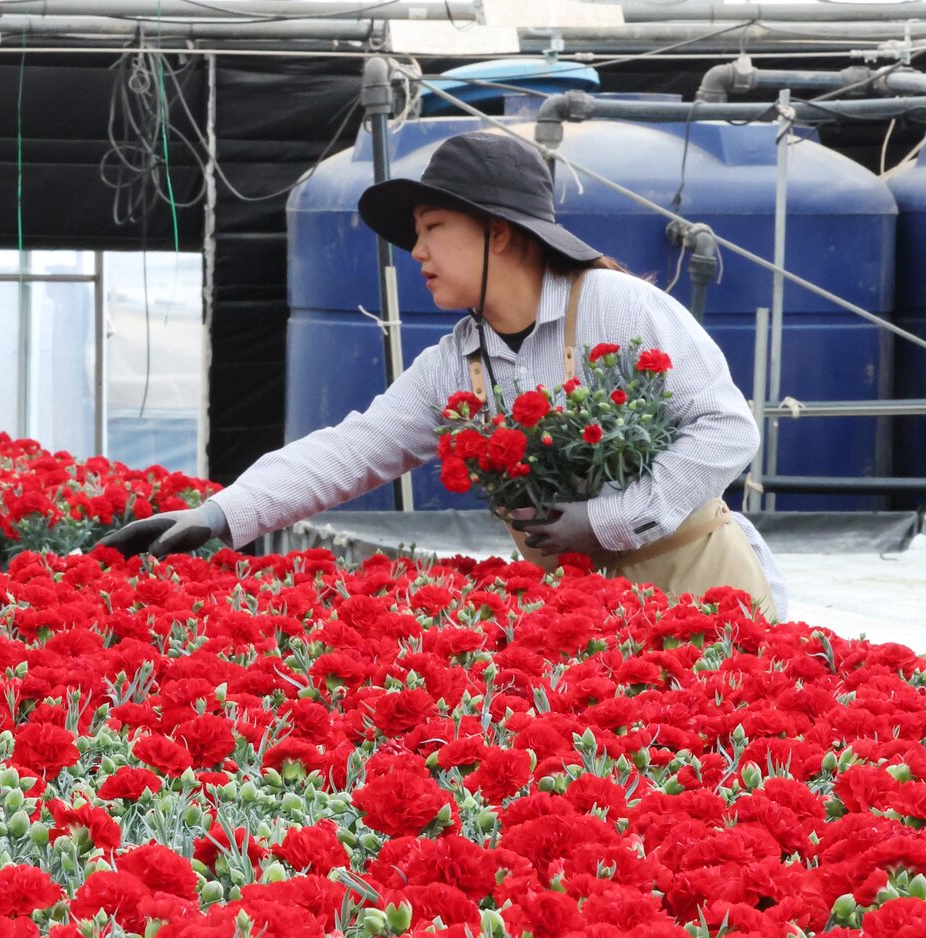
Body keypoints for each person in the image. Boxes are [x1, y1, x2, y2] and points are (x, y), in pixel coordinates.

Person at [101, 128, 786, 621]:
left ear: (499, 233)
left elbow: (727, 430)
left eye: (432, 227)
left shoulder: (616, 306)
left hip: (701, 587)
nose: (417, 251)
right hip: (590, 613)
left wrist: (605, 520)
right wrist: (219, 515)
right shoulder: (457, 363)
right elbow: (351, 450)